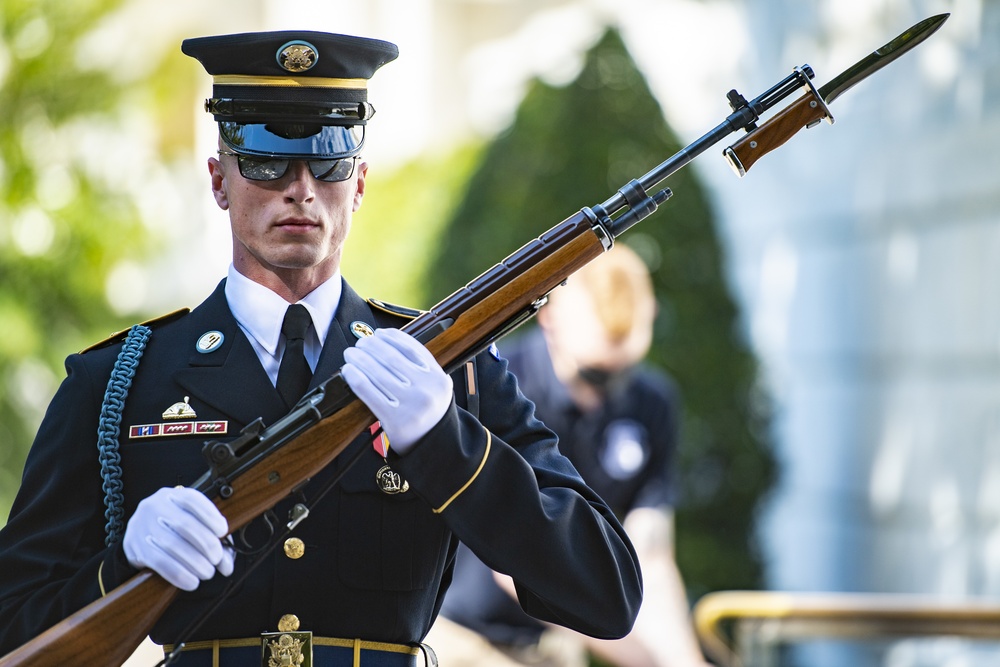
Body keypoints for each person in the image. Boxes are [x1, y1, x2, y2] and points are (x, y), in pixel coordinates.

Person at [0, 31, 643, 666]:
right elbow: (14, 628)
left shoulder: (445, 371)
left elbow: (607, 593)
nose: (300, 188)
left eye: (328, 161)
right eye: (264, 159)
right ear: (219, 180)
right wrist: (122, 569)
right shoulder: (121, 382)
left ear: (358, 182)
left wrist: (447, 443)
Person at [428, 245, 710, 667]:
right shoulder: (496, 385)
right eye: (591, 374)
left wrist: (685, 659)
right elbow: (515, 561)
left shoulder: (652, 402)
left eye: (622, 373)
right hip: (466, 636)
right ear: (550, 318)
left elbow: (649, 550)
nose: (601, 395)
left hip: (559, 641)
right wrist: (650, 660)